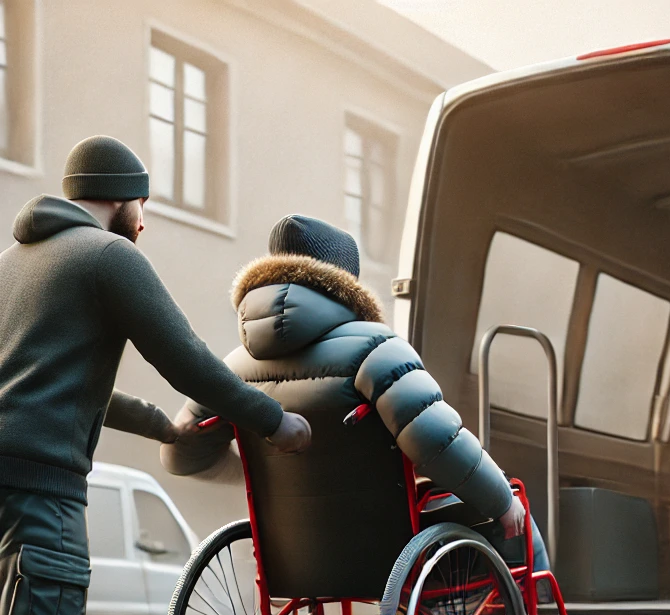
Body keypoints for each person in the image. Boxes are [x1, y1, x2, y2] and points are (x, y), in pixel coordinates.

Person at [0, 137, 311, 615]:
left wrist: (163, 429)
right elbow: (188, 357)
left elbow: (59, 385)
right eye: (144, 207)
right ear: (124, 196)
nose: (146, 224)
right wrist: (271, 421)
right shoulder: (108, 258)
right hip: (40, 489)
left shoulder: (17, 267)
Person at [161, 214, 541, 554]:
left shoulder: (231, 369)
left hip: (295, 553)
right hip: (383, 547)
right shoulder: (377, 349)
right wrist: (501, 503)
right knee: (512, 503)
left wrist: (264, 477)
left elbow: (181, 453)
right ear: (344, 282)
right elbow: (437, 441)